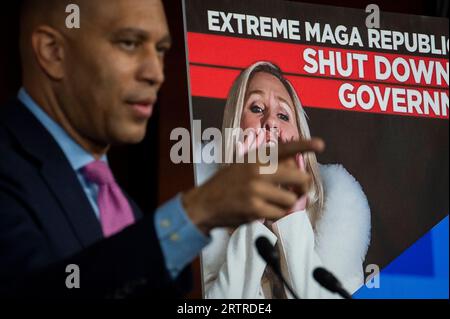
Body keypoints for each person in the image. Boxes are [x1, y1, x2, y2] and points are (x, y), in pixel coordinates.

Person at [0, 1, 323, 298]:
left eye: (161, 50)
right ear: (53, 51)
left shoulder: (123, 206)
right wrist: (197, 211)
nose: (156, 72)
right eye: (129, 43)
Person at [202, 62, 371, 299]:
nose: (271, 121)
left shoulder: (339, 219)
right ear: (235, 131)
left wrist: (293, 222)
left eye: (283, 115)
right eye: (257, 108)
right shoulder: (201, 223)